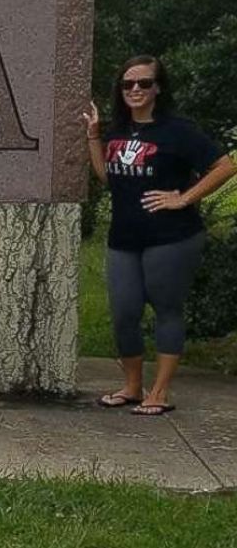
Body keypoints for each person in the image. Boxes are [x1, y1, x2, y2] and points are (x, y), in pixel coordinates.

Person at [84, 55, 235, 415]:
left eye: (143, 83)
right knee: (124, 312)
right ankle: (133, 386)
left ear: (158, 88)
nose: (135, 90)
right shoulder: (120, 131)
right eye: (127, 84)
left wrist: (183, 197)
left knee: (167, 309)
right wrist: (94, 135)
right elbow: (108, 176)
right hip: (124, 238)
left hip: (172, 237)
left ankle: (160, 391)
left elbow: (225, 165)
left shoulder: (177, 130)